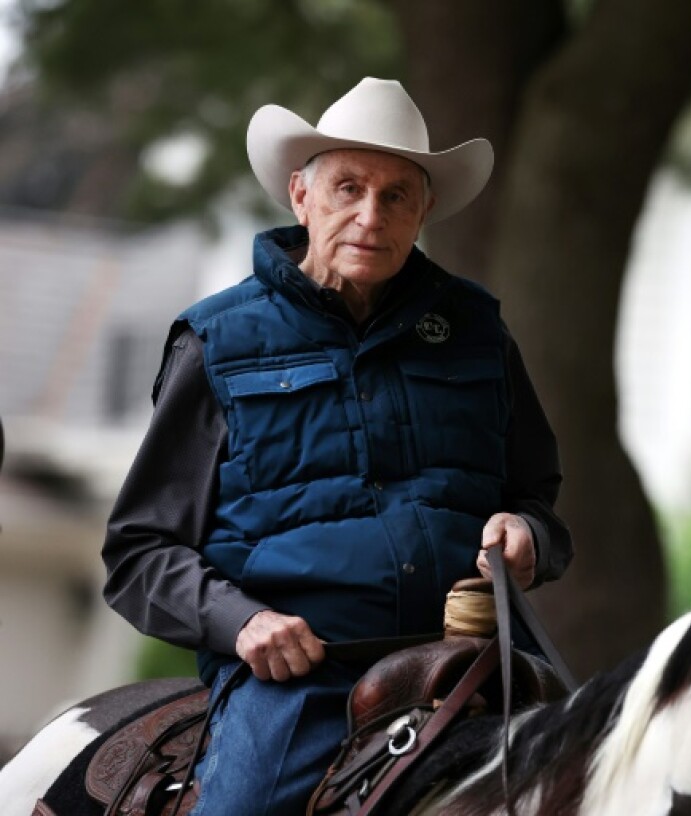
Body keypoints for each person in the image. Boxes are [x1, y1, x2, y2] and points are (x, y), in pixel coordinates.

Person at [102, 77, 572, 815]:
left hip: (479, 664)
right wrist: (244, 622)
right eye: (347, 188)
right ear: (299, 196)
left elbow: (534, 498)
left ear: (425, 211)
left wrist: (527, 534)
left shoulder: (480, 333)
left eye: (395, 196)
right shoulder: (217, 341)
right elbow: (140, 554)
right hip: (302, 678)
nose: (369, 216)